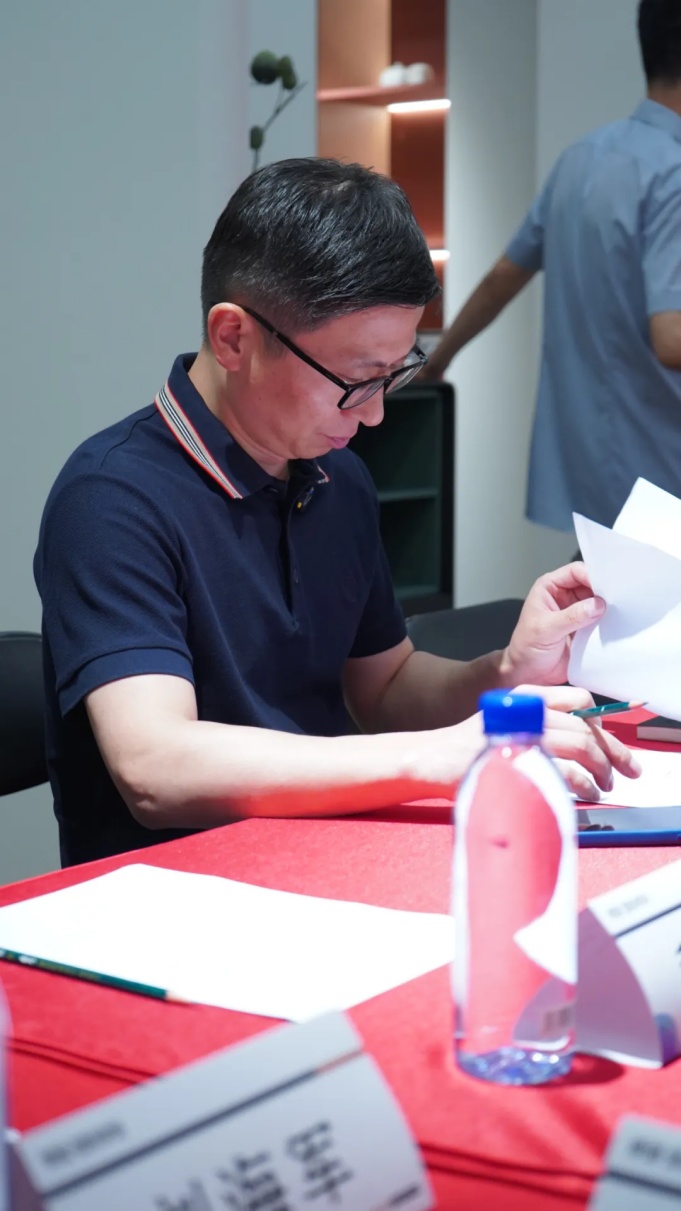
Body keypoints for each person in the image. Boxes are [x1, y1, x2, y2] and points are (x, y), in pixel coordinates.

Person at [34, 158, 639, 867]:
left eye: (393, 374)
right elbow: (156, 766)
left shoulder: (335, 476)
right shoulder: (112, 499)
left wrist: (505, 674)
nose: (375, 414)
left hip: (327, 855)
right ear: (233, 338)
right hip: (170, 891)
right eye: (354, 380)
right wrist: (435, 756)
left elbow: (385, 689)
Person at [422, 0, 681, 533]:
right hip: (662, 467)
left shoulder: (582, 158)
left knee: (601, 579)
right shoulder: (673, 173)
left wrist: (438, 359)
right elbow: (671, 340)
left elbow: (503, 277)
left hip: (592, 468)